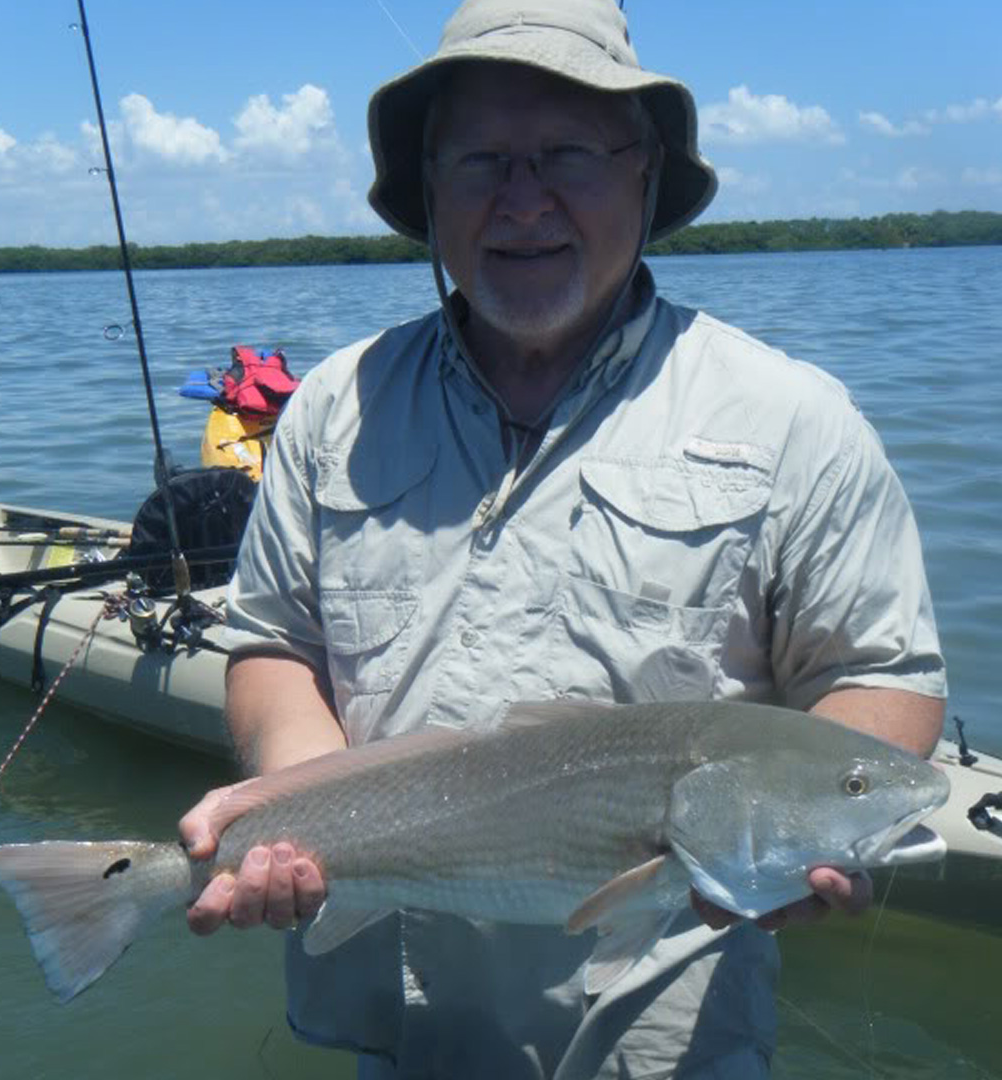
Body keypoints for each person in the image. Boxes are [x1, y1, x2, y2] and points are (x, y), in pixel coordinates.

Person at [179, 0, 947, 1075]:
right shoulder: (329, 410)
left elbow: (884, 675)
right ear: (431, 185)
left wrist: (806, 836)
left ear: (646, 172)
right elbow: (272, 644)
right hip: (396, 1032)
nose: (523, 200)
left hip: (663, 1040)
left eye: (569, 155)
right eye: (483, 158)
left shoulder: (795, 420)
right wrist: (305, 816)